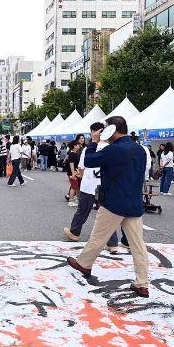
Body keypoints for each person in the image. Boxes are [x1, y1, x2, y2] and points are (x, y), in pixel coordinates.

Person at [65, 116, 150, 297]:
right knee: (138, 245)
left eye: (105, 129)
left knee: (98, 237)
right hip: (134, 202)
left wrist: (94, 142)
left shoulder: (115, 149)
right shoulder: (140, 149)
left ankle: (84, 264)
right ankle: (142, 283)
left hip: (113, 202)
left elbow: (89, 161)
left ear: (113, 129)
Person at [63, 122, 120, 251]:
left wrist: (80, 175)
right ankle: (112, 244)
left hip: (89, 185)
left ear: (93, 133)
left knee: (82, 211)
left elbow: (82, 168)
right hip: (105, 186)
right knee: (107, 214)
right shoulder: (111, 147)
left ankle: (75, 232)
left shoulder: (89, 148)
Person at [65, 140, 81, 206]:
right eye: (78, 145)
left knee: (77, 187)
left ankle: (77, 199)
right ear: (74, 146)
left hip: (76, 173)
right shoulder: (72, 154)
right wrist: (73, 174)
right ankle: (71, 201)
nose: (79, 146)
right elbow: (71, 164)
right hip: (74, 173)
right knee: (74, 187)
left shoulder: (74, 153)